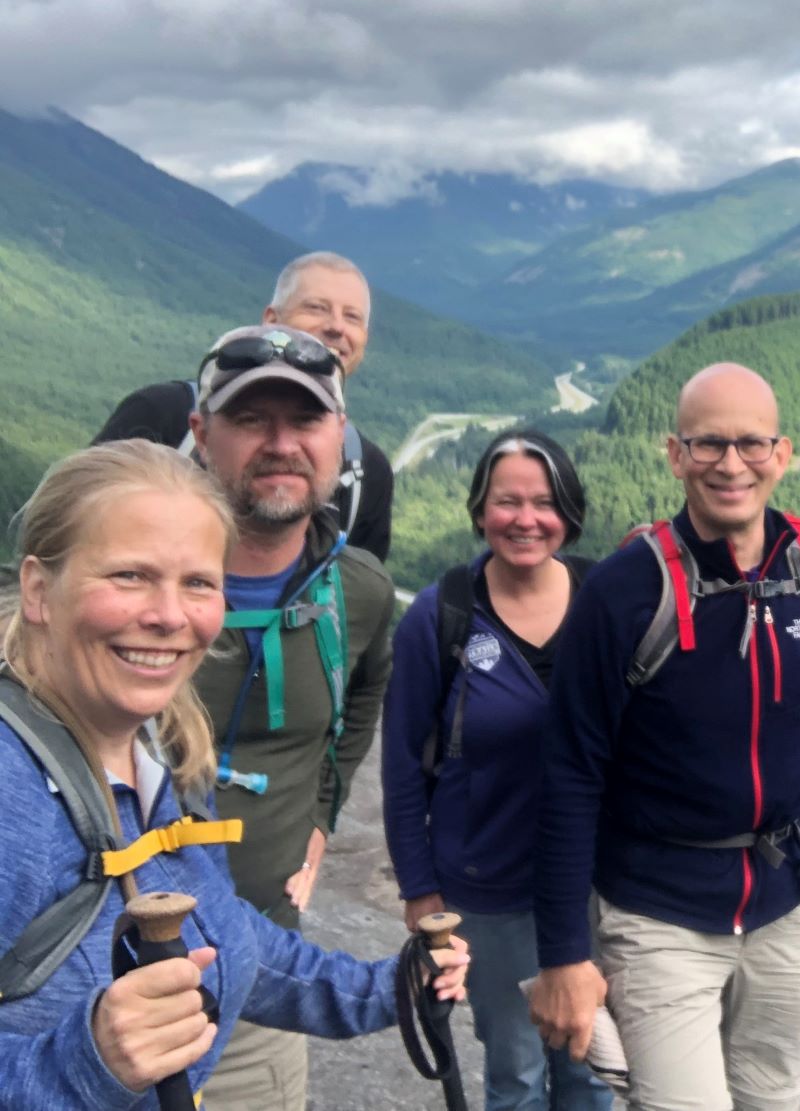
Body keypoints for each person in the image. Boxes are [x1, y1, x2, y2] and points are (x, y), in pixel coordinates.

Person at [0, 440, 468, 1109]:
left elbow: (224, 934)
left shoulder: (167, 750)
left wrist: (393, 985)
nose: (169, 615)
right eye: (129, 575)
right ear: (39, 590)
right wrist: (85, 1064)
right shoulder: (11, 788)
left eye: (198, 582)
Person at [530, 361, 800, 1111]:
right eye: (708, 443)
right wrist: (564, 953)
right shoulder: (624, 591)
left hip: (790, 895)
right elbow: (570, 772)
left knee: (772, 1099)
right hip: (658, 909)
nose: (731, 464)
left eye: (751, 443)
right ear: (675, 454)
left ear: (782, 454)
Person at [186, 324, 396, 1108]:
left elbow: (362, 698)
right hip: (97, 975)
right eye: (251, 419)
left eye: (305, 419)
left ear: (340, 435)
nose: (281, 443)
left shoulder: (358, 593)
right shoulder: (132, 576)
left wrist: (320, 814)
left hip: (260, 983)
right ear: (201, 433)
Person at [383, 429, 612, 1111]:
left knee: (594, 1067)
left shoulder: (605, 600)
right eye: (507, 501)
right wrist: (420, 889)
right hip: (489, 889)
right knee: (516, 1075)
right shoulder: (442, 617)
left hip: (599, 883)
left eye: (544, 503)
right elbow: (403, 766)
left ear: (569, 512)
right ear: (480, 510)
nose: (525, 519)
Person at [94, 251, 394, 561]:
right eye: (317, 308)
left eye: (352, 317)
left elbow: (356, 581)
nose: (336, 327)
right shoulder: (163, 414)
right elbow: (76, 528)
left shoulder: (367, 471)